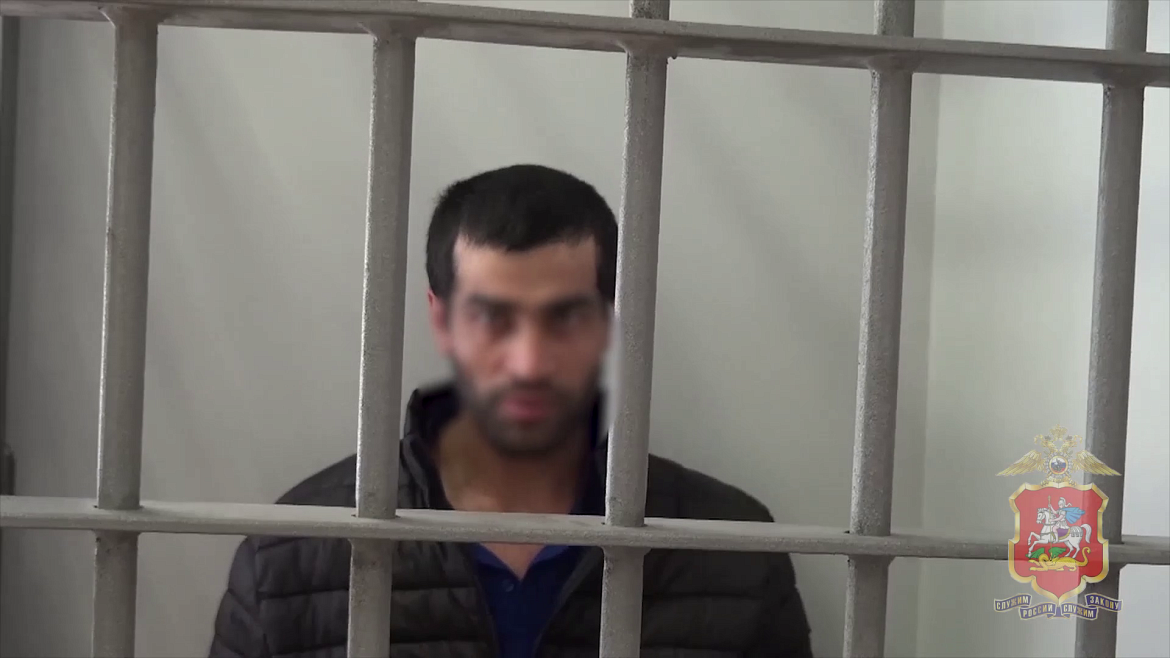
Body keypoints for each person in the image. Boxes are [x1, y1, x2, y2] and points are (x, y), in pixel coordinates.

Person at [208, 164, 813, 658]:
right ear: (442, 320)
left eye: (565, 316)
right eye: (492, 317)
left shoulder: (730, 550)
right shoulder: (290, 553)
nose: (528, 363)